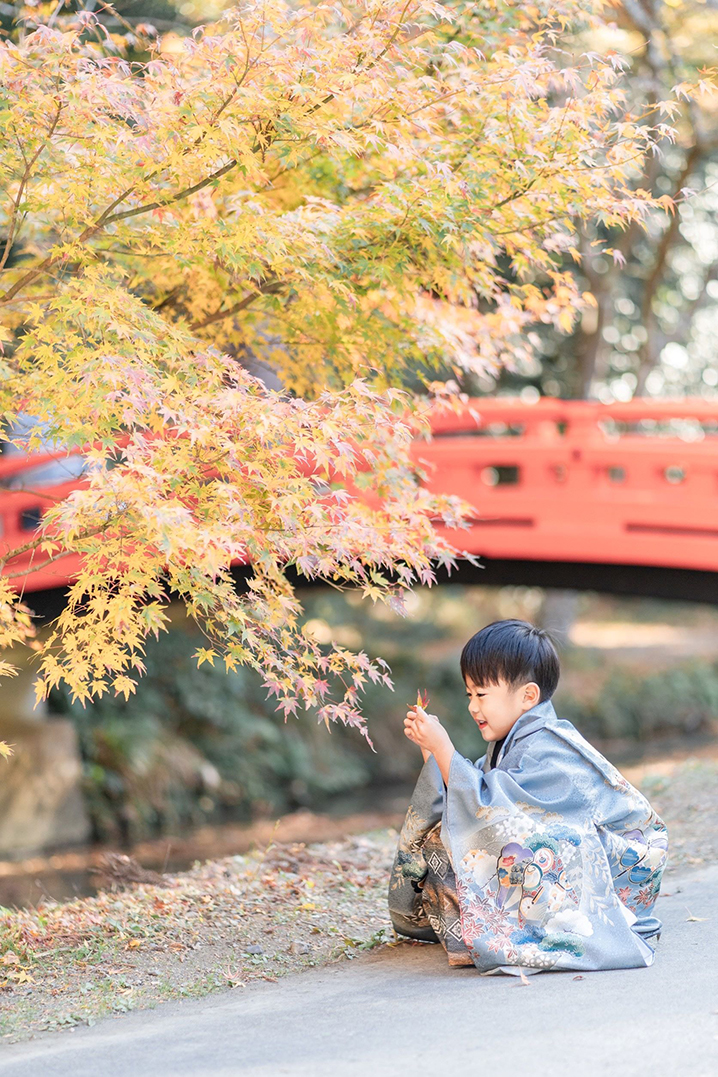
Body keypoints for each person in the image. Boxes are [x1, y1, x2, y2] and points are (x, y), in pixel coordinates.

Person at [388, 619, 668, 975]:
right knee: (445, 839)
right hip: (578, 856)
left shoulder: (551, 746)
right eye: (469, 695)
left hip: (619, 870)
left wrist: (444, 749)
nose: (473, 707)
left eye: (482, 694)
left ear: (528, 696)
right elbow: (474, 795)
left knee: (501, 848)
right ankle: (476, 937)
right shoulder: (511, 743)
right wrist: (434, 755)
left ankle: (499, 936)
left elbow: (494, 812)